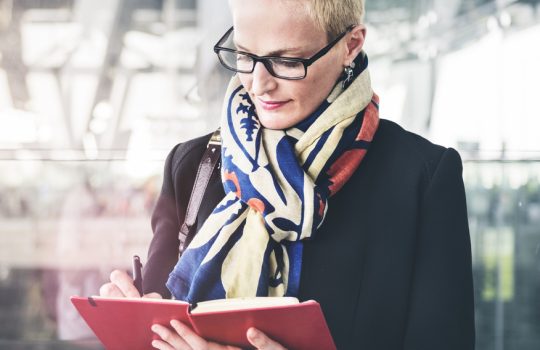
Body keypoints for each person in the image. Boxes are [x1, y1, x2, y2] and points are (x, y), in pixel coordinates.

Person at [99, 0, 476, 349]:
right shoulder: (194, 164)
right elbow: (161, 312)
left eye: (288, 61)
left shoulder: (420, 179)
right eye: (244, 55)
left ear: (351, 44)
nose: (259, 83)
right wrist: (135, 323)